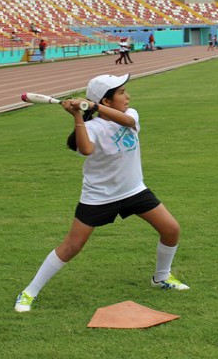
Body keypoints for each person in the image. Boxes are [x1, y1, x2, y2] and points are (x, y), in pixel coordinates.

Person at [14, 74, 189, 313]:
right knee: (71, 246)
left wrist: (91, 105)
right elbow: (86, 149)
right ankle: (28, 292)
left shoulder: (131, 115)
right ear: (107, 101)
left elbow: (127, 121)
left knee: (171, 229)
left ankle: (161, 277)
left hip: (134, 190)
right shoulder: (91, 128)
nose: (128, 96)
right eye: (121, 93)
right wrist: (77, 115)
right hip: (99, 197)